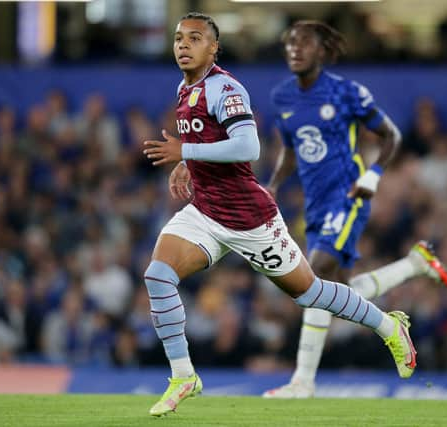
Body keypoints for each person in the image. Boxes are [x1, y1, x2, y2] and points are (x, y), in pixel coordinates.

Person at [142, 12, 416, 417]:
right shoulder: (185, 88)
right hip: (205, 212)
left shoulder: (225, 88)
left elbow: (248, 147)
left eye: (195, 38)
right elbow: (208, 139)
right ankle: (184, 375)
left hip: (250, 220)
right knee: (158, 275)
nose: (183, 45)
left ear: (214, 47)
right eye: (180, 38)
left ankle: (389, 327)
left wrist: (186, 152)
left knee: (310, 293)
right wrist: (190, 164)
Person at [262, 20, 447, 399]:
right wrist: (274, 184)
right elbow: (291, 148)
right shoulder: (283, 97)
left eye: (304, 43)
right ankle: (413, 265)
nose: (294, 50)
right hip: (315, 205)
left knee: (312, 279)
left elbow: (391, 135)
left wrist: (375, 175)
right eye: (290, 44)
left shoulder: (347, 93)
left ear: (322, 51)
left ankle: (306, 379)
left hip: (348, 196)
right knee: (338, 291)